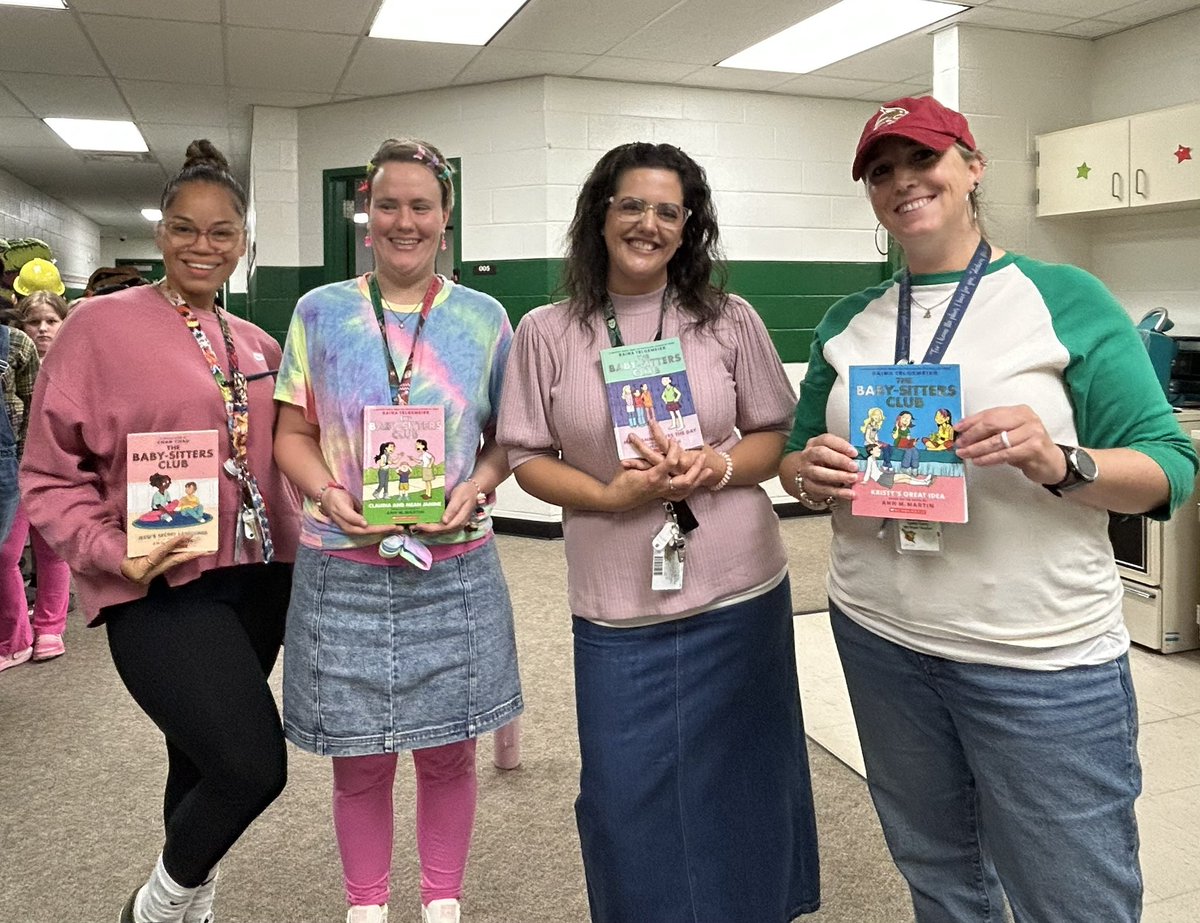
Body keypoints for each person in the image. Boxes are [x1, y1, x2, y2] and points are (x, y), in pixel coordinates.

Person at [779, 96, 1198, 923]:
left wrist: (1060, 460)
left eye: (924, 160)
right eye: (882, 172)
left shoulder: (1064, 300)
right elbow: (795, 457)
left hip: (1036, 659)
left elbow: (1170, 468)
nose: (904, 183)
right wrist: (808, 470)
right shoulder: (848, 322)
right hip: (880, 638)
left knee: (1073, 894)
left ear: (973, 167)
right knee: (940, 875)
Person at [496, 141, 820, 923]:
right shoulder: (545, 330)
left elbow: (774, 437)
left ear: (689, 226)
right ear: (599, 216)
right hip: (617, 605)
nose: (648, 223)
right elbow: (527, 457)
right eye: (631, 205)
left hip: (739, 590)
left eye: (668, 210)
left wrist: (715, 467)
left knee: (746, 778)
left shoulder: (727, 318)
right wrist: (610, 495)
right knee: (623, 793)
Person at [19, 139, 300, 923]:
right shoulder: (98, 328)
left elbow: (286, 460)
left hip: (258, 581)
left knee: (204, 755)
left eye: (221, 232)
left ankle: (193, 907)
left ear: (244, 241)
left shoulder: (259, 345)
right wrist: (113, 550)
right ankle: (155, 906)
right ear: (160, 234)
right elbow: (48, 473)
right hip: (157, 587)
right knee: (252, 764)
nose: (202, 246)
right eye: (184, 228)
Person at [273, 137, 522, 923]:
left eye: (421, 206)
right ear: (366, 214)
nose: (404, 220)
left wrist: (479, 485)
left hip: (449, 565)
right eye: (388, 205)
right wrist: (323, 489)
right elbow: (289, 434)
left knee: (451, 750)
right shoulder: (320, 311)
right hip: (342, 565)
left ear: (445, 220)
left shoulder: (486, 318)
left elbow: (509, 439)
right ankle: (368, 908)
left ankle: (442, 903)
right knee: (360, 757)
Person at [0, 291, 71, 670]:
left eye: (51, 321)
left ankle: (50, 627)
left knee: (52, 550)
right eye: (33, 322)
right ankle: (14, 635)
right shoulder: (14, 360)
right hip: (13, 469)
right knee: (7, 552)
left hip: (56, 471)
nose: (42, 329)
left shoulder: (75, 365)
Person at [0, 319, 39, 671]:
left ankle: (16, 638)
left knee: (3, 554)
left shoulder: (14, 344)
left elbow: (34, 408)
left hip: (8, 466)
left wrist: (27, 468)